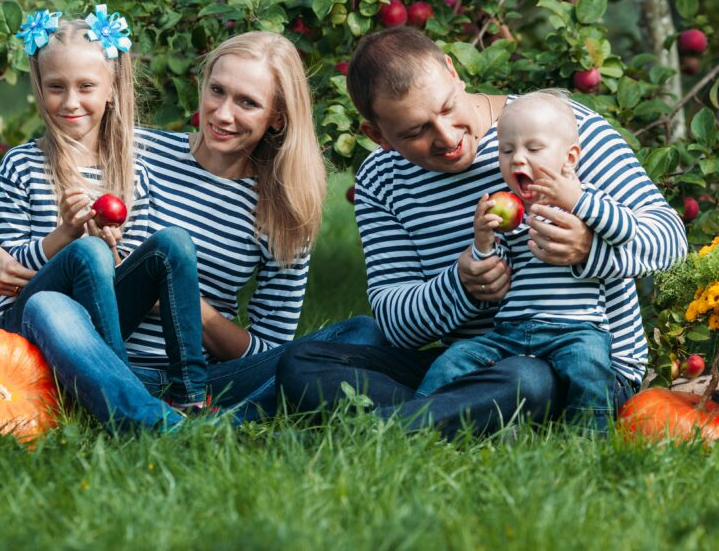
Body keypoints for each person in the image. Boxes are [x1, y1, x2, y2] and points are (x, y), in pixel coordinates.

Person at [276, 27, 688, 439]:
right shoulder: (382, 180)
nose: (448, 138)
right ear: (377, 136)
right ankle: (447, 418)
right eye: (416, 132)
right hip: (472, 360)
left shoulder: (554, 129)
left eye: (447, 107)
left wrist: (587, 248)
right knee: (301, 363)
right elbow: (394, 322)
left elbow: (671, 241)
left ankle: (389, 431)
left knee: (528, 379)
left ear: (453, 72)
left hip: (581, 365)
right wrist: (461, 286)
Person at [0, 30, 384, 431]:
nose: (223, 114)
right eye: (217, 91)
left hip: (198, 376)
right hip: (97, 354)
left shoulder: (284, 211)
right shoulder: (137, 151)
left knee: (361, 334)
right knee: (49, 308)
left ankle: (193, 412)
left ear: (277, 117)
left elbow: (267, 353)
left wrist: (188, 306)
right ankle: (166, 422)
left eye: (247, 102)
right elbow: (63, 182)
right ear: (202, 87)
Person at [0, 6, 208, 412]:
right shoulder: (20, 165)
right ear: (39, 87)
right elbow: (10, 273)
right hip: (27, 322)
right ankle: (130, 397)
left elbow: (128, 275)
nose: (71, 101)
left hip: (96, 325)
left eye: (86, 86)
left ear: (110, 89)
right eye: (56, 87)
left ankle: (191, 396)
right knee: (85, 252)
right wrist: (65, 238)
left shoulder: (133, 170)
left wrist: (110, 253)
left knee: (174, 244)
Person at [415, 90, 639, 433]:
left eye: (533, 150)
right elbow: (498, 264)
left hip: (576, 330)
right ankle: (417, 417)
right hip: (512, 329)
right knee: (457, 357)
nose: (518, 160)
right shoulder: (514, 211)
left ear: (570, 157)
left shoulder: (590, 199)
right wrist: (483, 240)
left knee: (590, 364)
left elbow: (624, 229)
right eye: (507, 151)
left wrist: (575, 199)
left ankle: (589, 437)